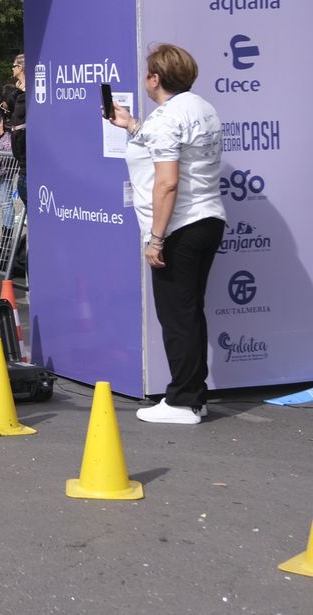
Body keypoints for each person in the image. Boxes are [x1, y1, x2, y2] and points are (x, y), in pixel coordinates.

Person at [108, 44, 225, 425]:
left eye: (146, 73)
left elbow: (167, 184)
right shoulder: (202, 109)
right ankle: (193, 395)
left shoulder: (165, 119)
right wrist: (131, 125)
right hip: (208, 219)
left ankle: (182, 401)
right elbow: (172, 149)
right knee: (188, 312)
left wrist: (156, 239)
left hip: (179, 227)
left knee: (177, 315)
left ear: (155, 79)